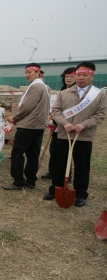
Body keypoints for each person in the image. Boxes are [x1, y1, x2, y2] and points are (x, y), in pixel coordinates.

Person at [43, 62, 106, 207]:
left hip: (84, 136)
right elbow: (56, 111)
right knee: (60, 164)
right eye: (79, 75)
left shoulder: (99, 95)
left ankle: (81, 193)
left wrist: (84, 124)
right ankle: (55, 189)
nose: (81, 78)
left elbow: (101, 114)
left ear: (92, 75)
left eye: (85, 75)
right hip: (64, 135)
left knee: (82, 166)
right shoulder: (64, 93)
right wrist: (65, 123)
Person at [3, 63, 50, 190]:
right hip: (38, 125)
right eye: (26, 72)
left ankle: (18, 181)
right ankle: (30, 180)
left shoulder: (36, 86)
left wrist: (15, 117)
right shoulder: (44, 87)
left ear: (38, 72)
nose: (27, 75)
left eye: (30, 72)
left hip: (28, 125)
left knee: (17, 153)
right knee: (33, 154)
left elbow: (27, 107)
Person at [41, 67, 76, 180]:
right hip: (57, 125)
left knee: (66, 153)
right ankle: (52, 172)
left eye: (71, 76)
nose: (69, 79)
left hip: (69, 125)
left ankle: (66, 175)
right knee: (54, 150)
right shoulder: (62, 89)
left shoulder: (77, 91)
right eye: (67, 76)